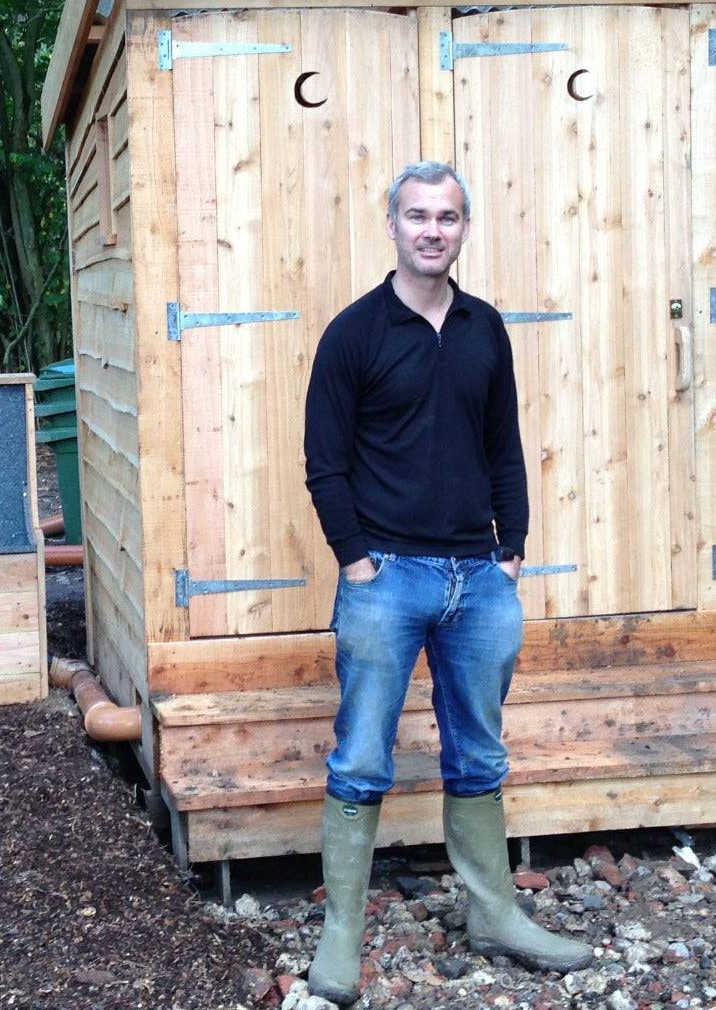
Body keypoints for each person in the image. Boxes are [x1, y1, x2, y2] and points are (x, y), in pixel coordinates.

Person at [302, 161, 594, 1005]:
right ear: (390, 225)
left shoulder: (484, 328)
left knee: (480, 752)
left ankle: (494, 912)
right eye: (418, 216)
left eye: (449, 217)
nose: (434, 230)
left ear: (465, 228)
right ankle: (342, 937)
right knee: (362, 757)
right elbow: (326, 464)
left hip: (479, 580)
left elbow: (505, 444)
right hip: (386, 579)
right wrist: (358, 562)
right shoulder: (354, 334)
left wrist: (512, 552)